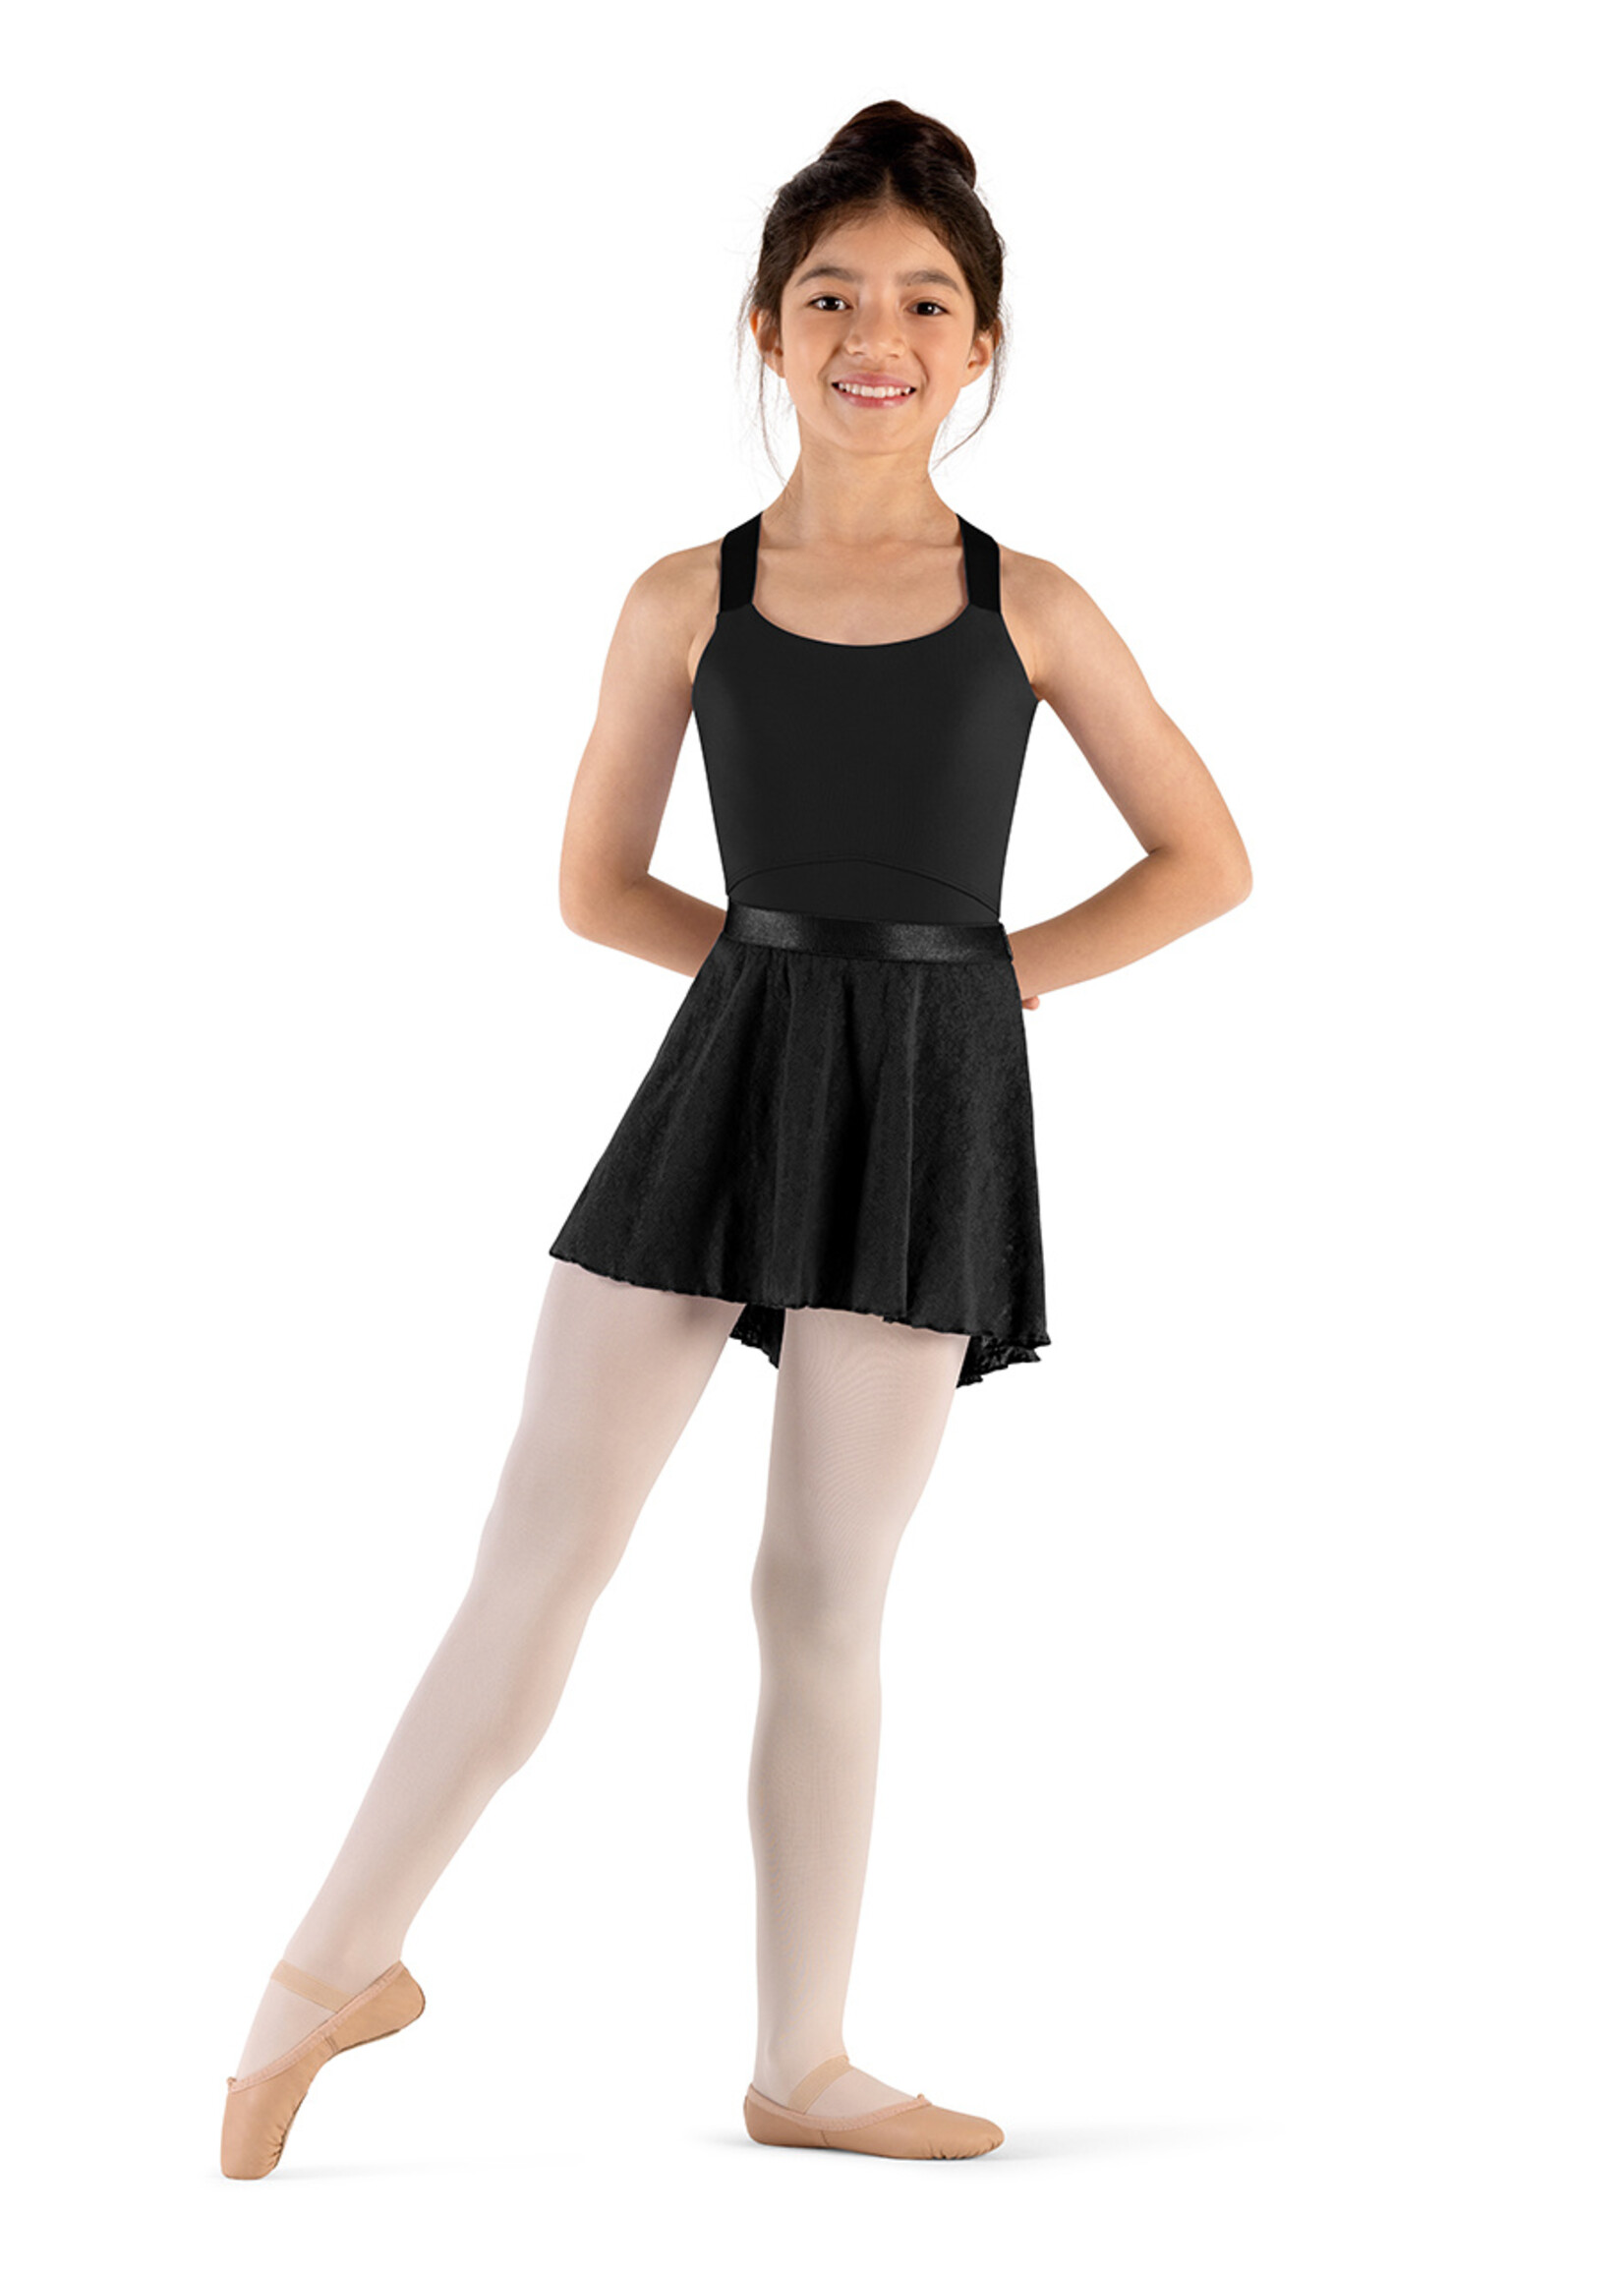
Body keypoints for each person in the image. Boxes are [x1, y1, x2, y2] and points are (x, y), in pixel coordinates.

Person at [219, 95, 1251, 2178]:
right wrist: (788, 997)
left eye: (926, 302)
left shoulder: (1034, 603)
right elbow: (596, 888)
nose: (879, 334)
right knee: (539, 1552)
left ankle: (805, 2060)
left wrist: (972, 992)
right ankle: (324, 1970)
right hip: (725, 1077)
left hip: (932, 1108)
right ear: (768, 327)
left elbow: (1204, 860)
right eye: (833, 296)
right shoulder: (681, 596)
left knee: (821, 1587)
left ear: (981, 348)